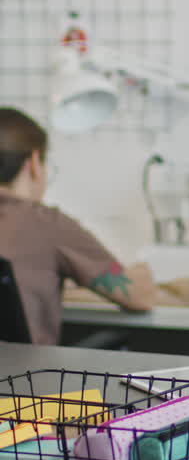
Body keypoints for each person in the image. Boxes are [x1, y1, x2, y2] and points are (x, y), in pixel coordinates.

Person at [0, 107, 156, 343]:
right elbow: (139, 296)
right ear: (33, 163)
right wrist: (141, 270)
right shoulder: (46, 224)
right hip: (26, 378)